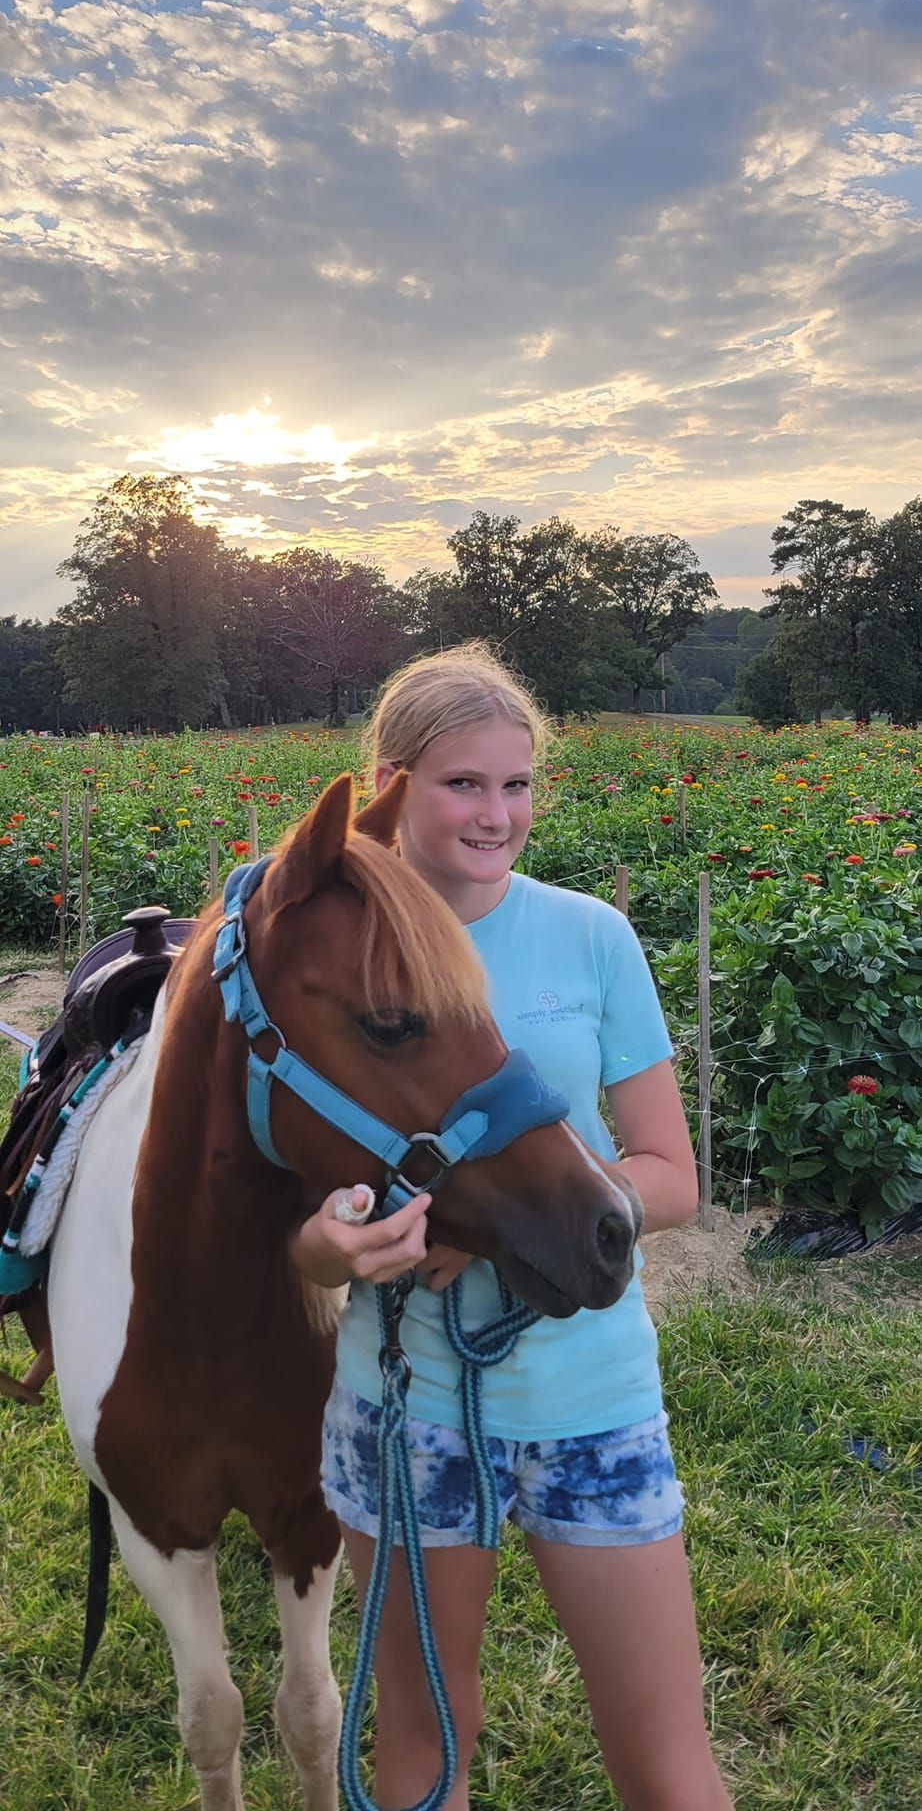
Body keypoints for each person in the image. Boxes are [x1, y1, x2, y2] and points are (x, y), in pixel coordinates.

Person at [291, 643, 734, 1811]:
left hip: (592, 1397)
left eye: (517, 783)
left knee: (666, 1759)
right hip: (407, 1413)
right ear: (389, 782)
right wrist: (333, 1250)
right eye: (463, 783)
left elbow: (669, 1174)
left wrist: (551, 1224)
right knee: (423, 1743)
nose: (499, 814)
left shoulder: (590, 936)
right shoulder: (336, 952)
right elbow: (294, 1221)